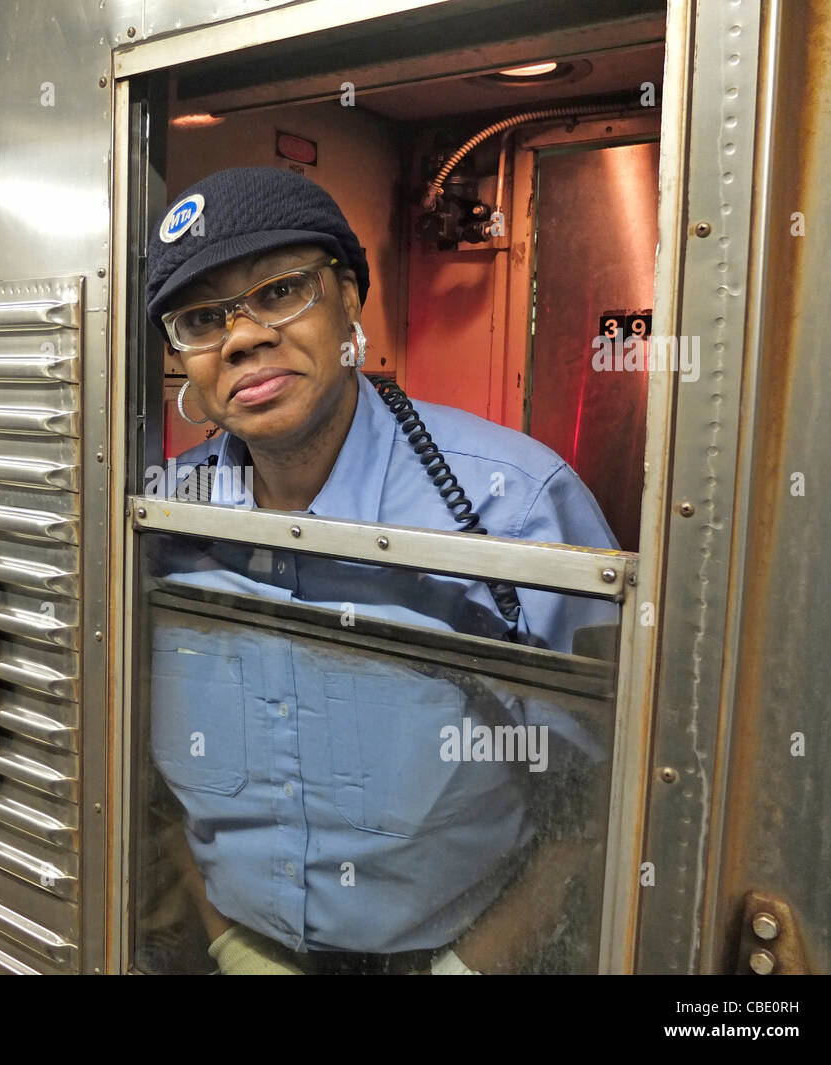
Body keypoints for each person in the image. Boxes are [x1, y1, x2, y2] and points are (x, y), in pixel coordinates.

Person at [141, 167, 621, 975]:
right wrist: (225, 938)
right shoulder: (160, 520)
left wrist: (471, 968)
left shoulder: (518, 507)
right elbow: (151, 782)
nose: (244, 336)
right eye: (201, 318)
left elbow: (602, 794)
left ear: (351, 303)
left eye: (281, 291)